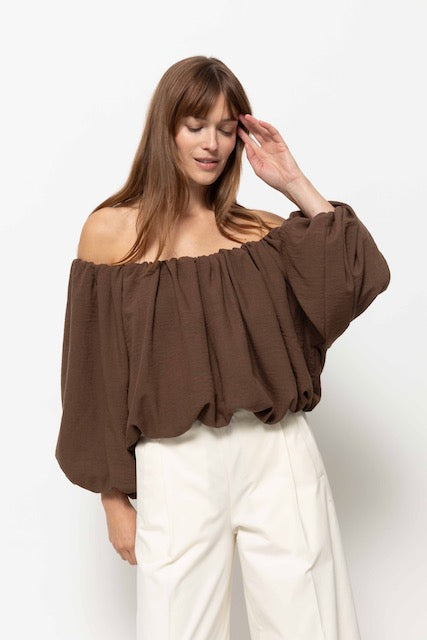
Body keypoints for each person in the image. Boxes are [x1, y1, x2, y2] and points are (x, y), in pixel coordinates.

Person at [55, 55, 391, 639]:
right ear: (166, 129)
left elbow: (358, 275)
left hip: (277, 452)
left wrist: (293, 181)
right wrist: (113, 498)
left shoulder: (258, 232)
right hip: (175, 465)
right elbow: (94, 375)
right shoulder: (111, 233)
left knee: (312, 623)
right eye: (195, 126)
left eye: (226, 128)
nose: (212, 143)